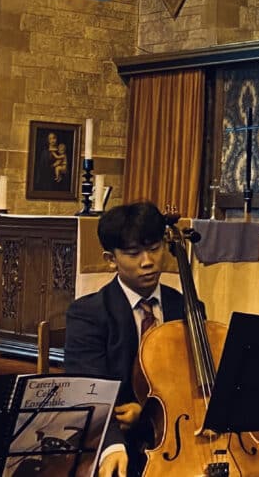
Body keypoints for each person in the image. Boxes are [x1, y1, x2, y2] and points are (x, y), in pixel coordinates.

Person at [67, 202, 193, 477]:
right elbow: (89, 388)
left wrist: (147, 413)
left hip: (179, 439)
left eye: (155, 248)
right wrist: (112, 446)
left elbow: (193, 389)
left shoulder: (187, 309)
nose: (147, 261)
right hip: (116, 437)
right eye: (133, 253)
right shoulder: (88, 313)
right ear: (110, 259)